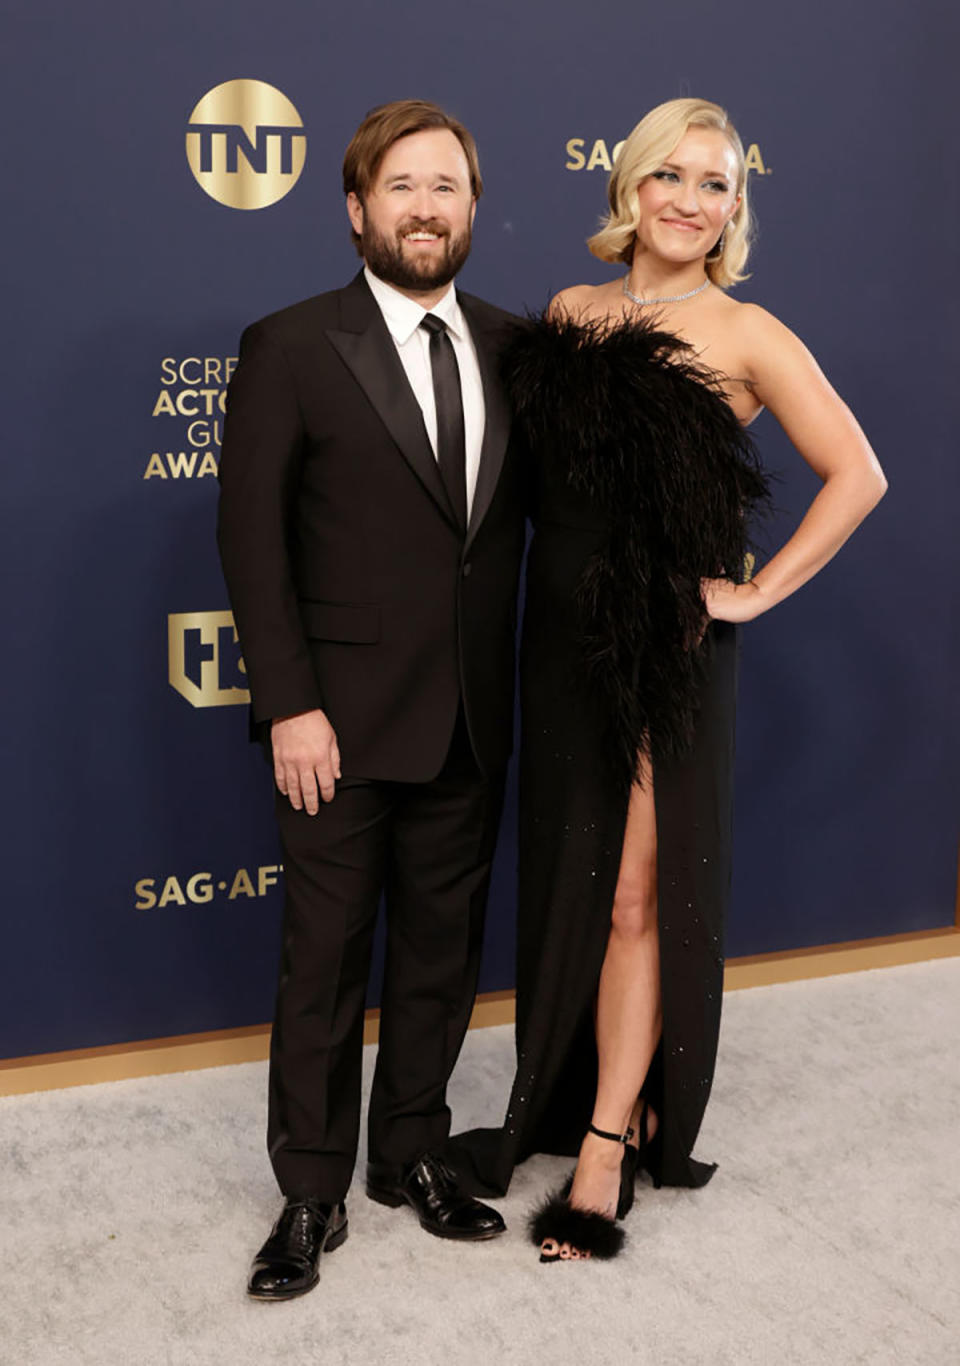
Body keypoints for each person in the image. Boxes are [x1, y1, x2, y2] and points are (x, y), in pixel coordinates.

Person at [448, 97, 887, 1262]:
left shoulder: (750, 334)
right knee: (574, 889)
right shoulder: (569, 313)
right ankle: (573, 1089)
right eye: (675, 177)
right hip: (559, 641)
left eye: (720, 183)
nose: (695, 201)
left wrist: (747, 593)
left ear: (738, 205)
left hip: (664, 652)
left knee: (638, 897)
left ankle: (606, 1144)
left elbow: (858, 475)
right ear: (630, 187)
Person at [217, 99, 525, 1300]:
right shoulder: (291, 343)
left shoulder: (513, 345)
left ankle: (413, 1157)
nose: (425, 207)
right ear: (356, 210)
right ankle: (310, 1193)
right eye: (401, 186)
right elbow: (252, 542)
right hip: (333, 729)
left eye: (446, 186)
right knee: (325, 962)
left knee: (442, 957)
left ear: (472, 208)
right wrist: (289, 703)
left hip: (469, 717)